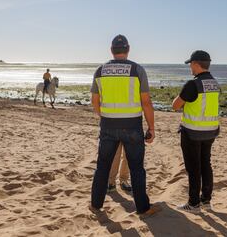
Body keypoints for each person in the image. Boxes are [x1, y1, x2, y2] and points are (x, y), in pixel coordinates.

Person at [90, 34, 160, 216]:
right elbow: (146, 102)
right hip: (132, 126)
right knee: (137, 167)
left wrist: (104, 116)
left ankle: (96, 205)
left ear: (111, 51)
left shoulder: (100, 71)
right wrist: (151, 128)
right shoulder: (137, 69)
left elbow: (95, 101)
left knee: (102, 166)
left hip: (108, 124)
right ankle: (143, 208)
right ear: (128, 50)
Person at [172, 50, 220, 213]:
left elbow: (175, 105)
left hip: (192, 132)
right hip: (210, 131)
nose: (190, 68)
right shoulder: (215, 83)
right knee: (206, 164)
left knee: (193, 168)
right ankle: (206, 201)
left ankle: (193, 204)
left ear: (195, 64)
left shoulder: (193, 84)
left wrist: (185, 104)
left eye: (190, 64)